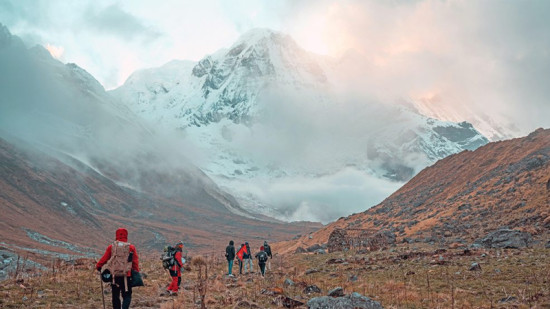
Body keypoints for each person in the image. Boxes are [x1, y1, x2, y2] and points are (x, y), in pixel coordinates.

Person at [96, 228, 139, 309]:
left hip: (114, 276)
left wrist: (99, 266)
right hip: (127, 275)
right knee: (127, 295)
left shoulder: (111, 247)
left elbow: (104, 258)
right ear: (126, 235)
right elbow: (135, 261)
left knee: (115, 296)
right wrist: (136, 271)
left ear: (116, 235)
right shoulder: (131, 247)